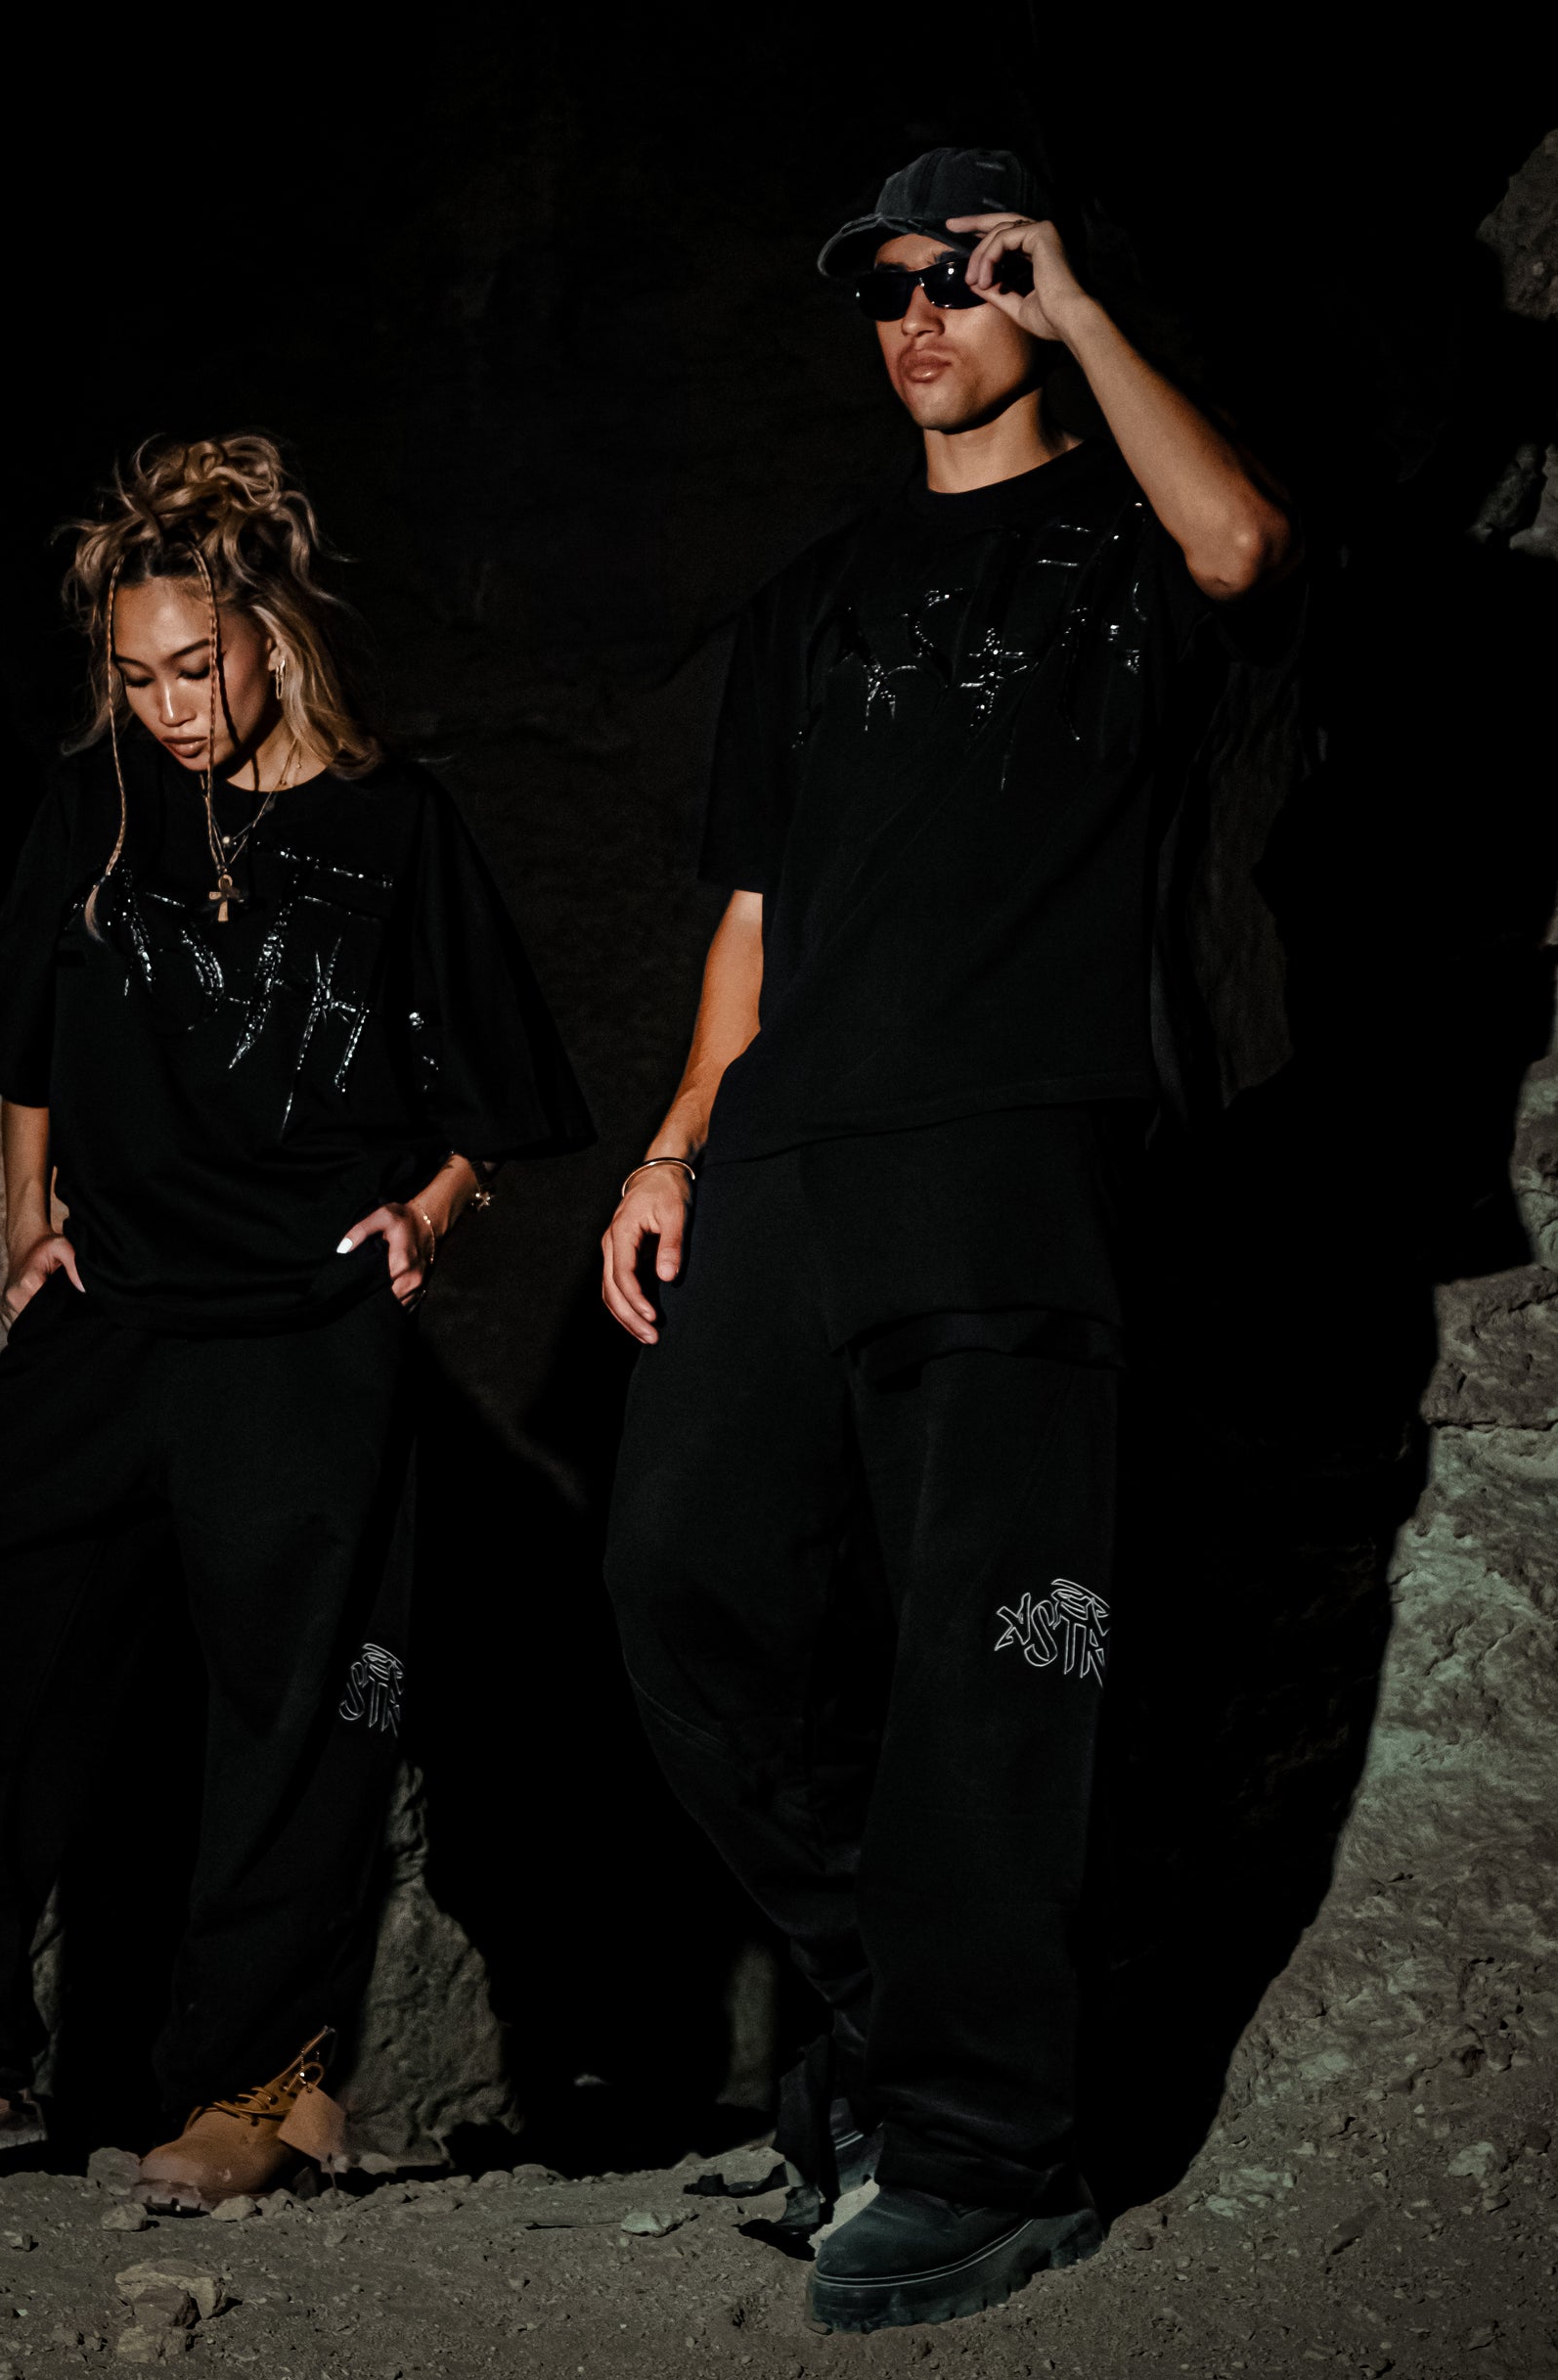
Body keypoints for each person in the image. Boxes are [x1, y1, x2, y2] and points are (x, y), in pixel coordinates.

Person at [601, 148, 1297, 2332]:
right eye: (889, 287)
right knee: (681, 1580)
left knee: (995, 1656)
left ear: (1044, 295)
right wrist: (673, 1142)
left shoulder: (1130, 534)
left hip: (1021, 1156)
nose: (919, 315)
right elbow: (753, 906)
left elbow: (1243, 547)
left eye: (967, 277)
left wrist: (1077, 307)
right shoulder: (813, 593)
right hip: (791, 1154)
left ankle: (993, 2152)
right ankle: (901, 2030)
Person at [0, 433, 591, 2208]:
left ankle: (256, 2079)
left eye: (196, 668)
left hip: (303, 1321)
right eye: (137, 675)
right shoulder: (95, 802)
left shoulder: (396, 826)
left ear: (273, 636)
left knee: (293, 1698)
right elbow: (24, 1030)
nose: (168, 708)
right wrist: (27, 1217)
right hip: (119, 1306)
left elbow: (494, 1088)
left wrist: (430, 1212)